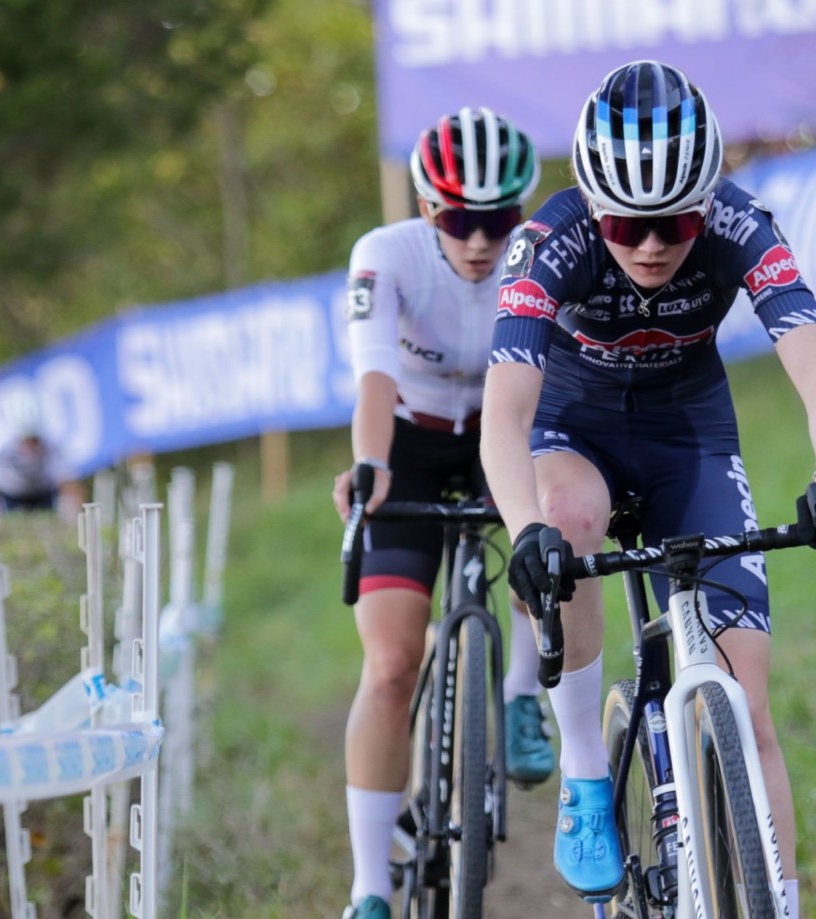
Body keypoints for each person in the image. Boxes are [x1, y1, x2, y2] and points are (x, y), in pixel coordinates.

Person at [479, 61, 816, 917]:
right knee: (568, 515)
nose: (651, 245)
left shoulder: (741, 223)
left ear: (706, 201)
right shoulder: (550, 242)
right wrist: (528, 529)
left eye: (675, 222)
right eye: (626, 224)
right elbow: (502, 416)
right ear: (592, 204)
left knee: (751, 704)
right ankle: (586, 769)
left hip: (688, 438)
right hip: (572, 432)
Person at [330, 106, 555, 919]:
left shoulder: (537, 256)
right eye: (459, 218)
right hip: (411, 440)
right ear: (427, 206)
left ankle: (523, 694)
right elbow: (374, 376)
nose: (479, 240)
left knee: (548, 522)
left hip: (505, 430)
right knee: (390, 667)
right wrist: (371, 465)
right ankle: (368, 885)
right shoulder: (383, 256)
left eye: (498, 219)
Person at [0, 398, 83, 524]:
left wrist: (73, 520)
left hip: (43, 492)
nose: (31, 444)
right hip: (9, 494)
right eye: (26, 440)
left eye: (35, 439)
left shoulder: (52, 443)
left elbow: (68, 485)